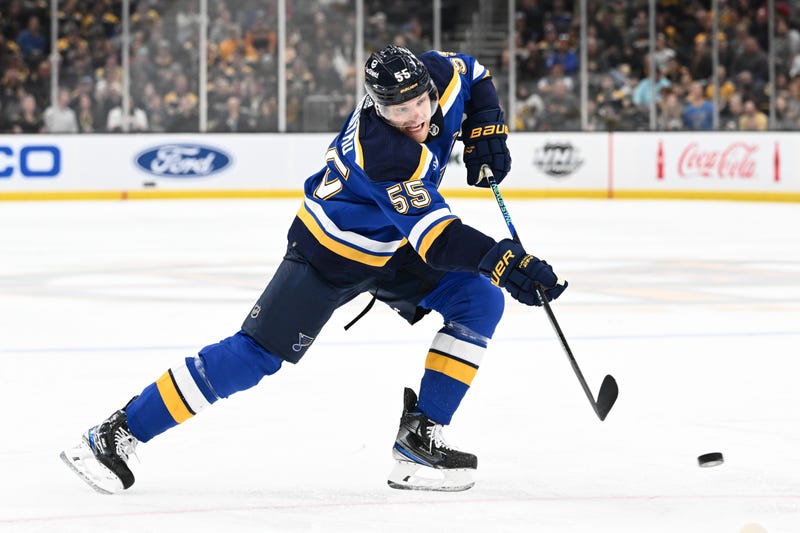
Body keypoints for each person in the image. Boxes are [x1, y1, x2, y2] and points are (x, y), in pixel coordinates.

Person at [60, 45, 567, 494]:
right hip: (329, 253)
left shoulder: (439, 77)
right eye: (397, 110)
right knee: (254, 357)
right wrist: (505, 261)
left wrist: (488, 124)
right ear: (376, 106)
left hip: (392, 242)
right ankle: (116, 432)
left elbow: (474, 73)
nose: (414, 116)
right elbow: (438, 240)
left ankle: (419, 440)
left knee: (478, 300)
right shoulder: (383, 152)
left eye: (420, 103)